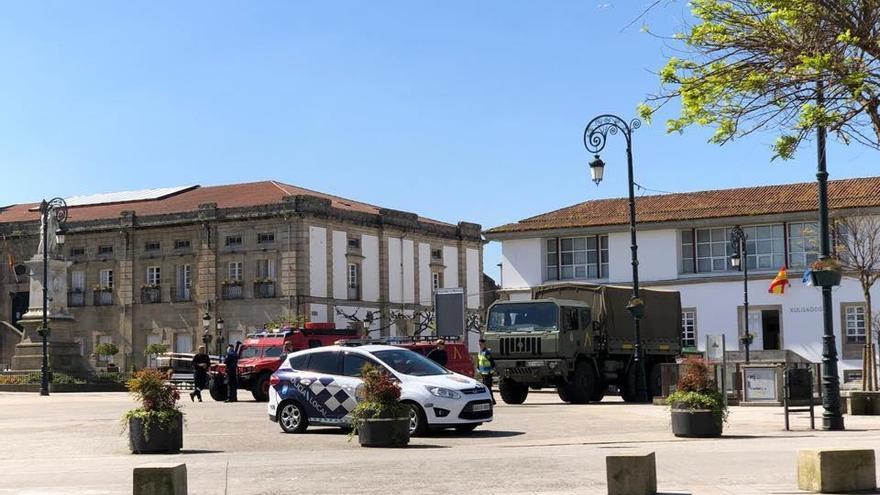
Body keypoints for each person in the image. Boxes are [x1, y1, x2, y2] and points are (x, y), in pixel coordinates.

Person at [477, 338, 496, 405]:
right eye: (479, 344)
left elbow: (492, 362)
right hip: (483, 372)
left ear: (484, 344)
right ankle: (491, 400)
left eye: (481, 344)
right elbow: (479, 361)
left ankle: (492, 400)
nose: (480, 345)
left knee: (488, 387)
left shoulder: (487, 352)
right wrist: (478, 368)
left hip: (488, 372)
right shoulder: (480, 352)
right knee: (486, 387)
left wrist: (493, 370)